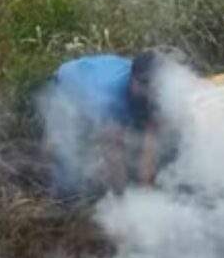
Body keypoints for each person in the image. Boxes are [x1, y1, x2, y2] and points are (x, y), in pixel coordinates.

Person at [40, 49, 179, 196]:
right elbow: (113, 152)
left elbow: (151, 144)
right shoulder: (110, 97)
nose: (152, 89)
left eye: (157, 84)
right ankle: (61, 197)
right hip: (68, 83)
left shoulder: (158, 93)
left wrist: (147, 190)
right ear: (134, 79)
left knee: (127, 141)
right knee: (65, 165)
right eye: (146, 83)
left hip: (101, 71)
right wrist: (122, 201)